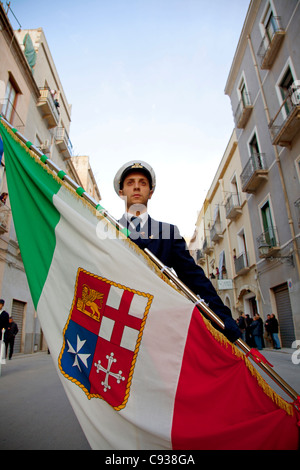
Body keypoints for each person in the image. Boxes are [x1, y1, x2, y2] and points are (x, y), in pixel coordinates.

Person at [114, 160, 241, 343]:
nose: (136, 187)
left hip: (156, 322)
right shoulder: (106, 228)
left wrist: (222, 316)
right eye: (130, 183)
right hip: (117, 317)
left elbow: (193, 277)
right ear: (121, 192)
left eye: (142, 183)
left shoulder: (168, 232)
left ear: (150, 193)